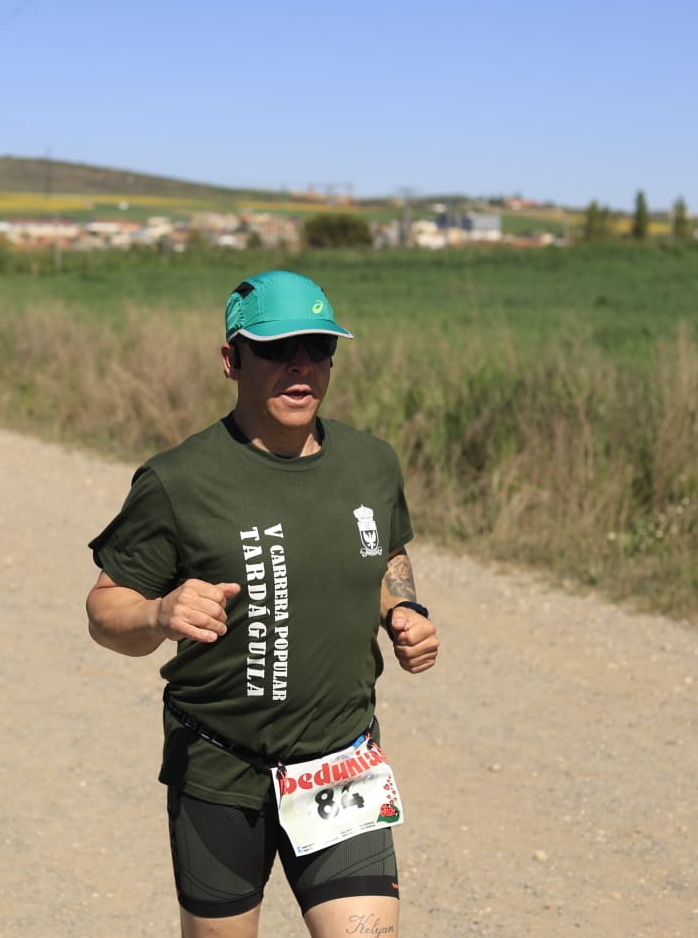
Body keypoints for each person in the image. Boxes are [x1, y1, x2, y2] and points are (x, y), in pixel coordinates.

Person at [85, 270, 441, 938]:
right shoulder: (179, 480)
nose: (300, 364)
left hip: (341, 764)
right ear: (232, 359)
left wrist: (403, 611)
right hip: (222, 769)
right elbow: (105, 609)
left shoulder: (371, 463)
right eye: (277, 349)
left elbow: (387, 551)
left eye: (318, 347)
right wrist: (160, 615)